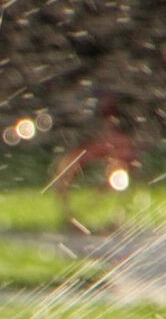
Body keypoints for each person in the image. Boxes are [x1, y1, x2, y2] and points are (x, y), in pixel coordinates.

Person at [51, 92, 138, 234]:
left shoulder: (118, 142)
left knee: (122, 169)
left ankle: (116, 218)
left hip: (105, 143)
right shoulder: (99, 135)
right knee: (67, 170)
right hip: (95, 140)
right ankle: (71, 217)